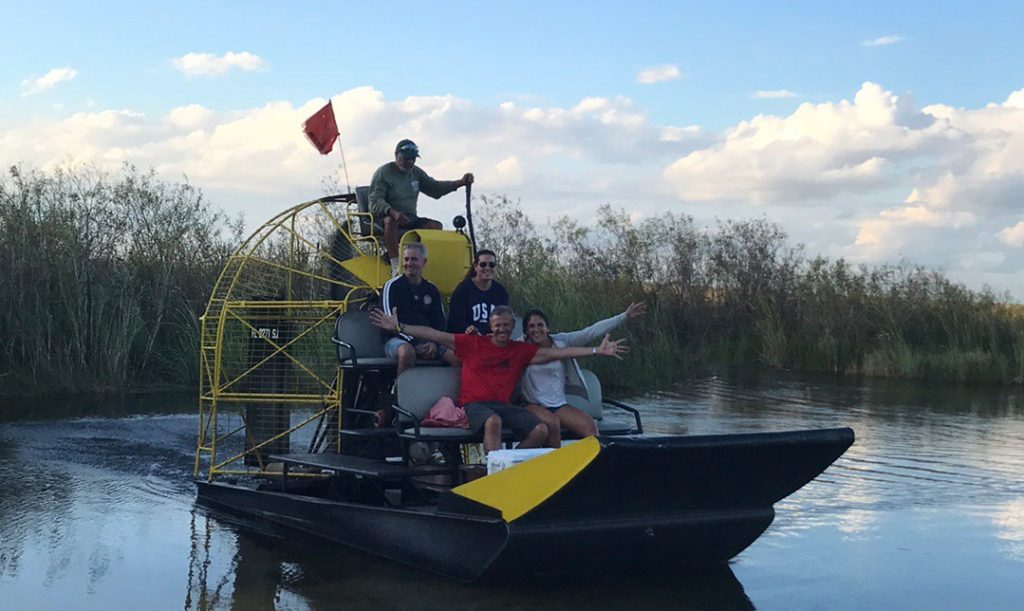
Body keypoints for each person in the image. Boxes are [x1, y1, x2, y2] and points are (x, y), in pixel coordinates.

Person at [369, 305, 628, 452]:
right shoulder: (472, 343)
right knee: (492, 421)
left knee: (540, 429)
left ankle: (514, 468)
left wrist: (597, 350)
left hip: (505, 406)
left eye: (506, 325)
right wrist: (400, 327)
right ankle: (495, 472)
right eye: (498, 325)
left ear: (511, 327)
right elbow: (434, 333)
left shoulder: (519, 350)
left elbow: (556, 353)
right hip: (475, 406)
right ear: (491, 326)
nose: (502, 329)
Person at [517, 302, 647, 447]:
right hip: (530, 404)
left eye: (540, 325)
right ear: (526, 331)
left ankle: (594, 465)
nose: (536, 330)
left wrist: (624, 316)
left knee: (589, 425)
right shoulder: (519, 346)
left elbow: (590, 332)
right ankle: (555, 465)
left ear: (547, 328)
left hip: (557, 404)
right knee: (552, 424)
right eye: (531, 326)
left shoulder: (561, 341)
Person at [368, 139, 474, 274]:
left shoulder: (416, 173)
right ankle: (395, 265)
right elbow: (375, 201)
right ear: (396, 155)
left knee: (435, 226)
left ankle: (426, 264)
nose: (410, 162)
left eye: (413, 159)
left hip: (409, 217)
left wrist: (460, 183)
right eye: (406, 158)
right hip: (384, 218)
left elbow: (435, 188)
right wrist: (392, 212)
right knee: (391, 221)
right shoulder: (384, 173)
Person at [381, 242, 459, 376]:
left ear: (424, 262)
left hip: (429, 341)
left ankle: (455, 395)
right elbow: (389, 324)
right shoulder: (391, 286)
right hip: (397, 340)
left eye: (414, 259)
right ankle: (400, 392)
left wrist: (433, 343)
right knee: (407, 352)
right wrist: (415, 344)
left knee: (457, 356)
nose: (409, 263)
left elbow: (440, 323)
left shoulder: (432, 289)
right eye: (406, 259)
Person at [447, 249, 509, 335]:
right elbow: (455, 322)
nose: (487, 268)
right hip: (467, 340)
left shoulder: (501, 292)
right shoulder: (463, 290)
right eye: (483, 265)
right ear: (476, 267)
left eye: (491, 265)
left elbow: (505, 320)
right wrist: (469, 330)